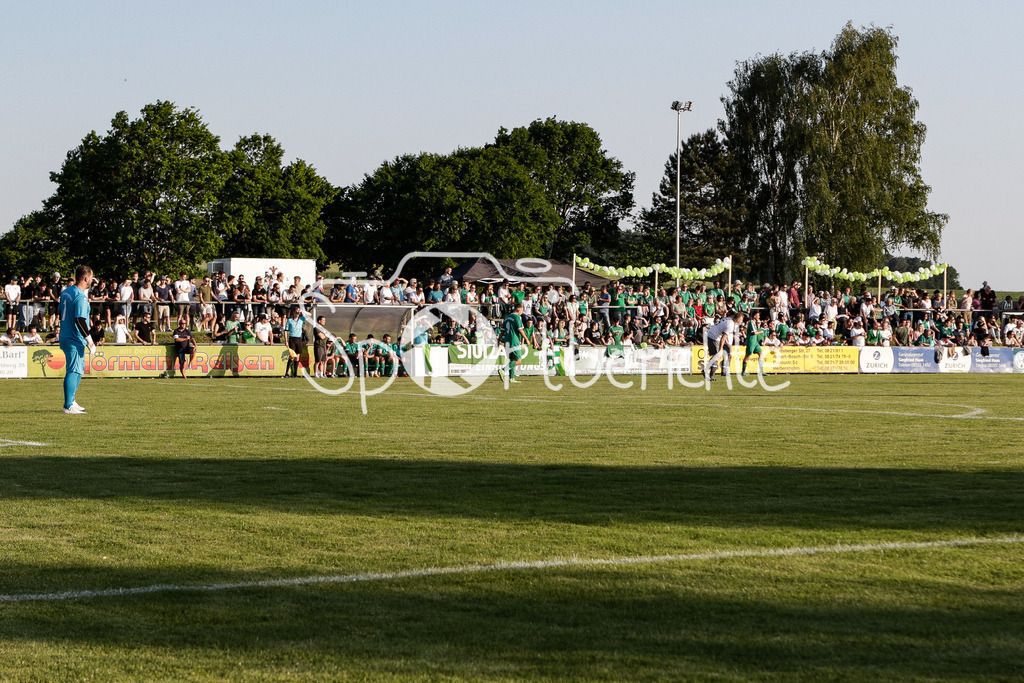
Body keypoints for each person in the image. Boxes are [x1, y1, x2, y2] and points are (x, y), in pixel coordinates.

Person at [58, 265, 95, 414]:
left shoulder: (66, 292)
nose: (92, 280)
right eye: (91, 278)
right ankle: (68, 405)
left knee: (77, 369)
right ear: (86, 278)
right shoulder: (80, 296)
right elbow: (80, 320)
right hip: (74, 337)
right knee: (74, 370)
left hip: (66, 334)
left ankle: (72, 400)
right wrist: (90, 340)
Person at [706, 311, 743, 380]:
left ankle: (710, 375)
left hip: (712, 335)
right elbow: (723, 337)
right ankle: (708, 373)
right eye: (741, 319)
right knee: (717, 356)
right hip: (714, 337)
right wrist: (720, 350)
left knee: (716, 356)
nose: (742, 321)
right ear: (738, 319)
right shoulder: (731, 325)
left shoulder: (729, 320)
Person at [499, 301, 527, 383]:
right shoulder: (517, 317)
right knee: (518, 361)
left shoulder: (507, 317)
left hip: (507, 340)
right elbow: (520, 329)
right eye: (522, 311)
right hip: (514, 340)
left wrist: (499, 339)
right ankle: (503, 370)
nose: (522, 313)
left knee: (512, 359)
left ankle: (511, 378)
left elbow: (502, 331)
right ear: (519, 310)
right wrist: (526, 338)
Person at [284, 306, 306, 377]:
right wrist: (286, 341)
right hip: (292, 339)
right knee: (292, 356)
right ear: (293, 312)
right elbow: (286, 331)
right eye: (296, 312)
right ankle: (287, 372)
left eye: (298, 312)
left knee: (297, 356)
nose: (297, 313)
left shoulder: (301, 319)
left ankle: (295, 374)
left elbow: (309, 315)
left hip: (299, 339)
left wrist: (302, 311)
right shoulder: (289, 320)